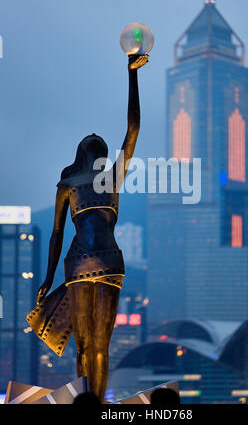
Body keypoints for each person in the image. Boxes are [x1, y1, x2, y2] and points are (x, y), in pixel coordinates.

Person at [35, 53, 148, 403]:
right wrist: (131, 76)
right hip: (104, 262)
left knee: (88, 345)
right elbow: (132, 131)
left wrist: (48, 278)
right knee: (96, 345)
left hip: (85, 263)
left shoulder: (77, 182)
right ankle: (94, 404)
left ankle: (91, 403)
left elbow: (57, 235)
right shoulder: (101, 180)